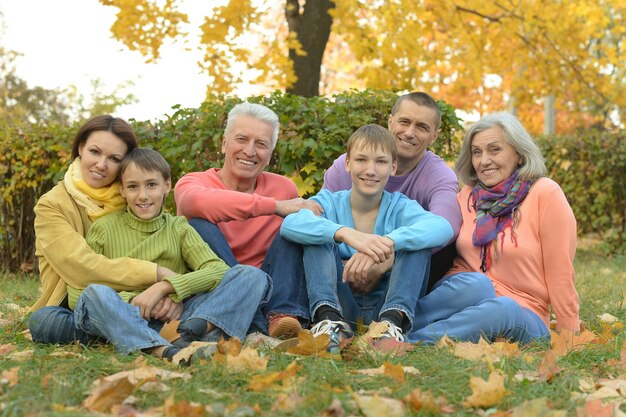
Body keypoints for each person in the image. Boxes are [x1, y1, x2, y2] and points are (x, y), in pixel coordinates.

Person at [60, 147, 270, 362]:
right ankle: (166, 350)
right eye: (133, 187)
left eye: (151, 185)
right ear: (122, 190)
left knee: (252, 276)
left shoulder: (178, 228)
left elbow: (217, 270)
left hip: (176, 318)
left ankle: (192, 332)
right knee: (95, 294)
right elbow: (78, 293)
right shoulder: (104, 229)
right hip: (126, 313)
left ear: (167, 186)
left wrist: (167, 288)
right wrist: (135, 300)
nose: (143, 196)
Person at [407, 112, 579, 344]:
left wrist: (569, 332)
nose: (484, 160)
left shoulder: (545, 193)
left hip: (524, 309)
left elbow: (560, 271)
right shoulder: (466, 196)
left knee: (503, 309)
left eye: (494, 149)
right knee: (478, 284)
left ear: (518, 154)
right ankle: (391, 325)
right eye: (477, 152)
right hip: (465, 294)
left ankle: (410, 342)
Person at [280, 124, 454, 351]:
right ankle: (328, 322)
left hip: (385, 304)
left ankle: (390, 328)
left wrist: (389, 242)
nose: (370, 170)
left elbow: (442, 227)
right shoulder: (329, 202)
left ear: (393, 167)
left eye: (380, 162)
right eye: (361, 160)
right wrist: (344, 233)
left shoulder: (400, 206)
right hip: (341, 302)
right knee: (318, 232)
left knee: (416, 241)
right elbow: (290, 224)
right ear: (348, 163)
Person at [174, 102, 322, 339]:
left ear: (270, 154)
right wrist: (274, 206)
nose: (250, 151)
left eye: (261, 144)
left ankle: (281, 316)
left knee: (292, 229)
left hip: (272, 292)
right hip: (217, 290)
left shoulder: (284, 188)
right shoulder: (193, 183)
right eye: (241, 139)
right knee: (198, 225)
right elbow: (195, 204)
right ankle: (254, 326)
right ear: (224, 144)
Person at [29, 115, 169, 345]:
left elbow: (162, 241)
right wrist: (156, 273)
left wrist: (165, 291)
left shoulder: (132, 195)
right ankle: (136, 333)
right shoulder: (51, 205)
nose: (101, 165)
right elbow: (81, 267)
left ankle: (123, 333)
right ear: (81, 148)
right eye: (95, 151)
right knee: (44, 321)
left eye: (114, 158)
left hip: (137, 299)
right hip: (75, 306)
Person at [323, 92, 462, 293]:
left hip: (403, 273)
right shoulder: (349, 165)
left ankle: (400, 317)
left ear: (434, 136)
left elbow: (447, 227)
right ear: (390, 122)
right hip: (344, 266)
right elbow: (321, 217)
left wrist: (386, 258)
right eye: (404, 122)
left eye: (422, 127)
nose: (409, 132)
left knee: (434, 246)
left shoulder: (439, 176)